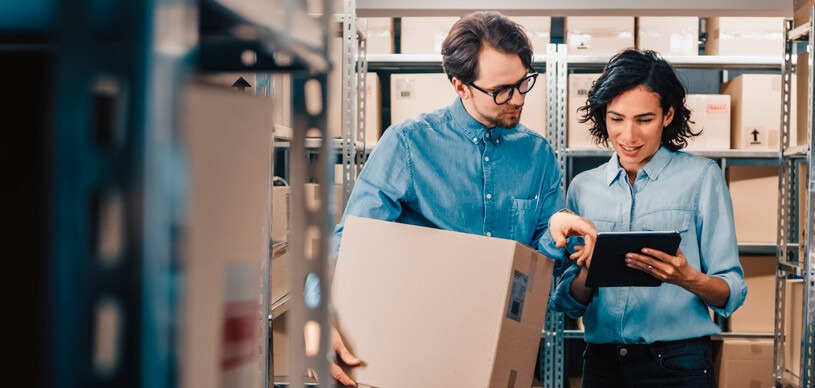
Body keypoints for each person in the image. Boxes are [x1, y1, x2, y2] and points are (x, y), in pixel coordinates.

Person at [311, 11, 598, 387]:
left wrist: (556, 230)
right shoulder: (408, 144)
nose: (517, 99)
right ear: (460, 85)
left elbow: (539, 266)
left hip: (505, 353)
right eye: (500, 90)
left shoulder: (537, 155)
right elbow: (348, 242)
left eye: (523, 82)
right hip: (417, 351)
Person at [550, 49, 747, 388]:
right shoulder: (583, 188)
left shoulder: (702, 178)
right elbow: (569, 304)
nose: (629, 136)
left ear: (667, 115)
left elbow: (732, 291)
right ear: (603, 117)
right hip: (602, 364)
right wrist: (587, 270)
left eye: (644, 120)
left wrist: (687, 278)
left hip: (677, 364)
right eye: (616, 119)